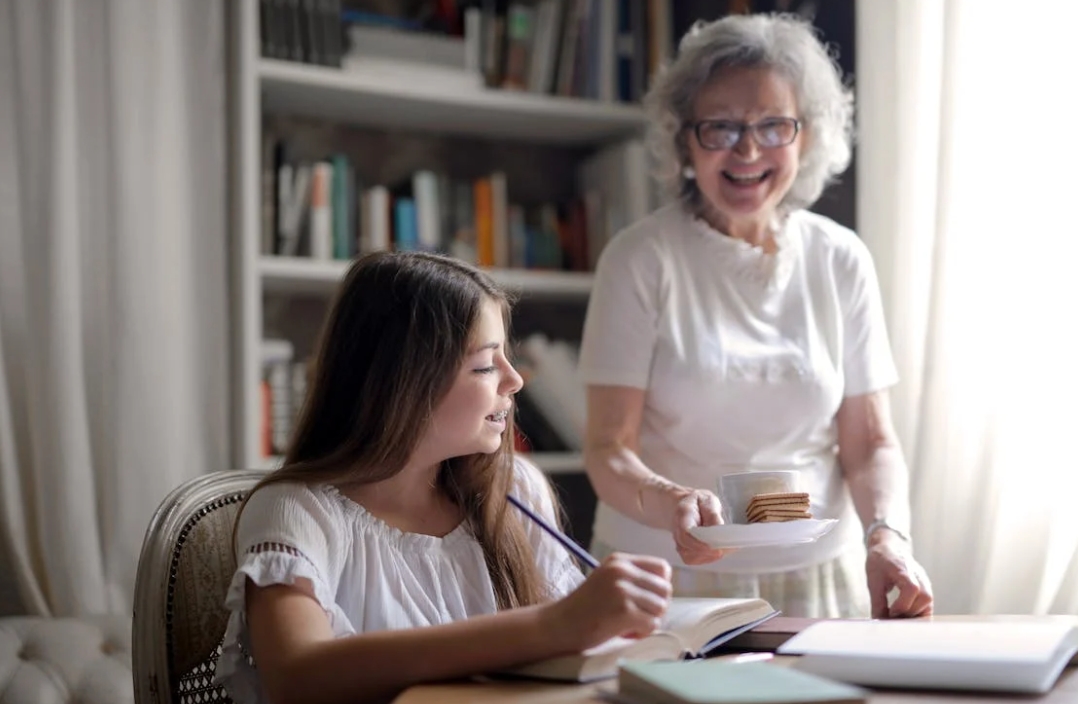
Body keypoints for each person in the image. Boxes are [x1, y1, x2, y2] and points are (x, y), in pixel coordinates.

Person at [578, 13, 933, 620]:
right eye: (720, 127)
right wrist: (671, 503)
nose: (747, 150)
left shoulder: (840, 258)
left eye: (773, 125)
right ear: (683, 138)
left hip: (818, 571)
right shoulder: (639, 259)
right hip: (662, 573)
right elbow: (609, 448)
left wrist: (887, 535)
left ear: (806, 136)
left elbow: (871, 441)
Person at [214, 251, 673, 704]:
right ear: (403, 381)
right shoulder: (300, 513)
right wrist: (553, 626)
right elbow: (296, 677)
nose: (514, 380)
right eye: (486, 364)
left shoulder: (514, 493)